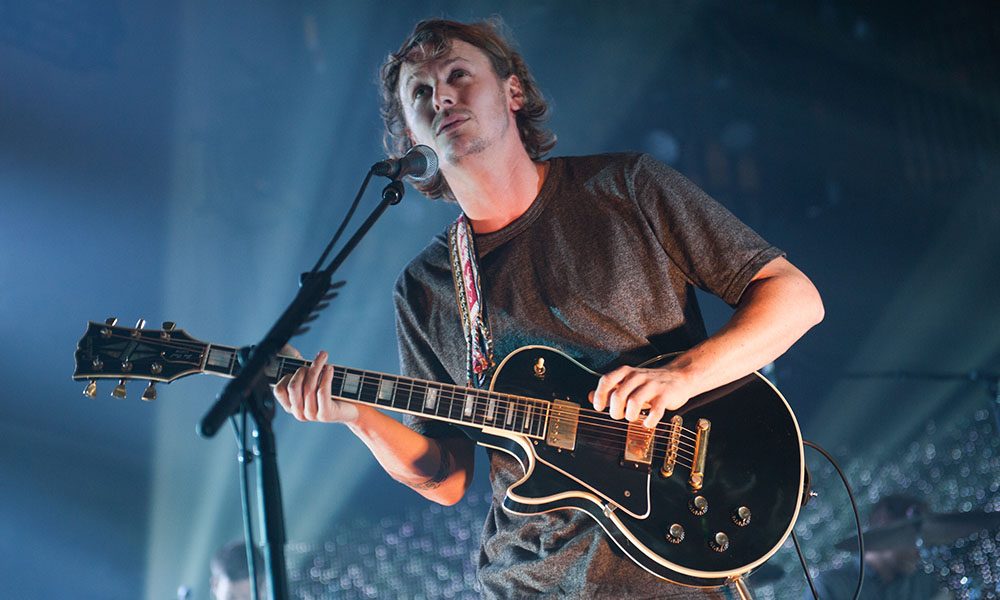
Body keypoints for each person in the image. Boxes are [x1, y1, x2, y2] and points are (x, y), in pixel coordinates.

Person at [274, 18, 824, 599]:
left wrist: (680, 376)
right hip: (528, 579)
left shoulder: (627, 187)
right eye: (419, 92)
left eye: (458, 74)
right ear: (412, 138)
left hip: (668, 563)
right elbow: (449, 476)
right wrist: (356, 416)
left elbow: (796, 298)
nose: (440, 95)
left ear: (513, 92)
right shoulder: (427, 287)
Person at [808, 495, 953, 600]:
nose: (919, 551)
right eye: (914, 538)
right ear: (884, 524)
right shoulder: (831, 586)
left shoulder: (924, 584)